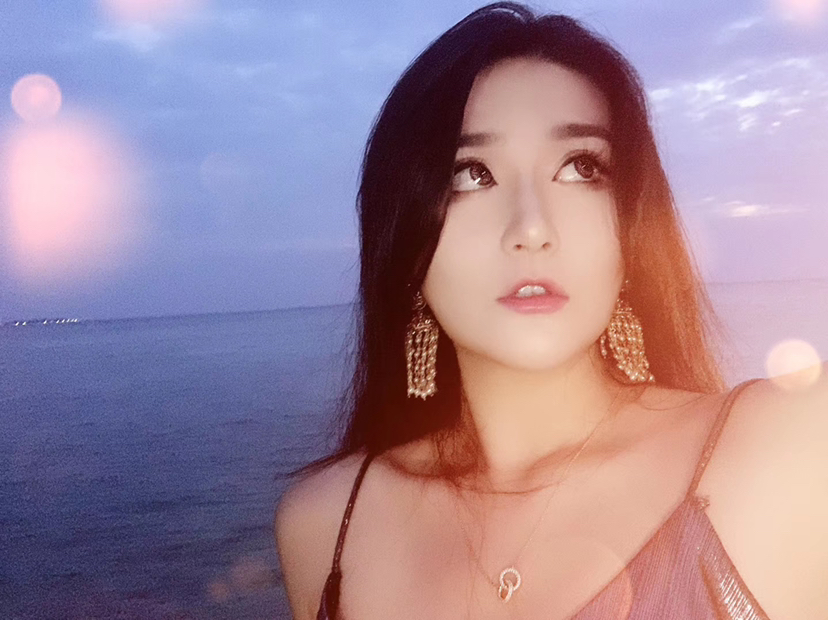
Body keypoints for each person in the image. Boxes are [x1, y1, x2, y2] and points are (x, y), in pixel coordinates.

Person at [274, 3, 828, 619]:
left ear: (632, 227)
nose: (531, 228)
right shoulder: (325, 523)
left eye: (581, 167)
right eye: (471, 175)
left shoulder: (791, 442)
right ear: (406, 243)